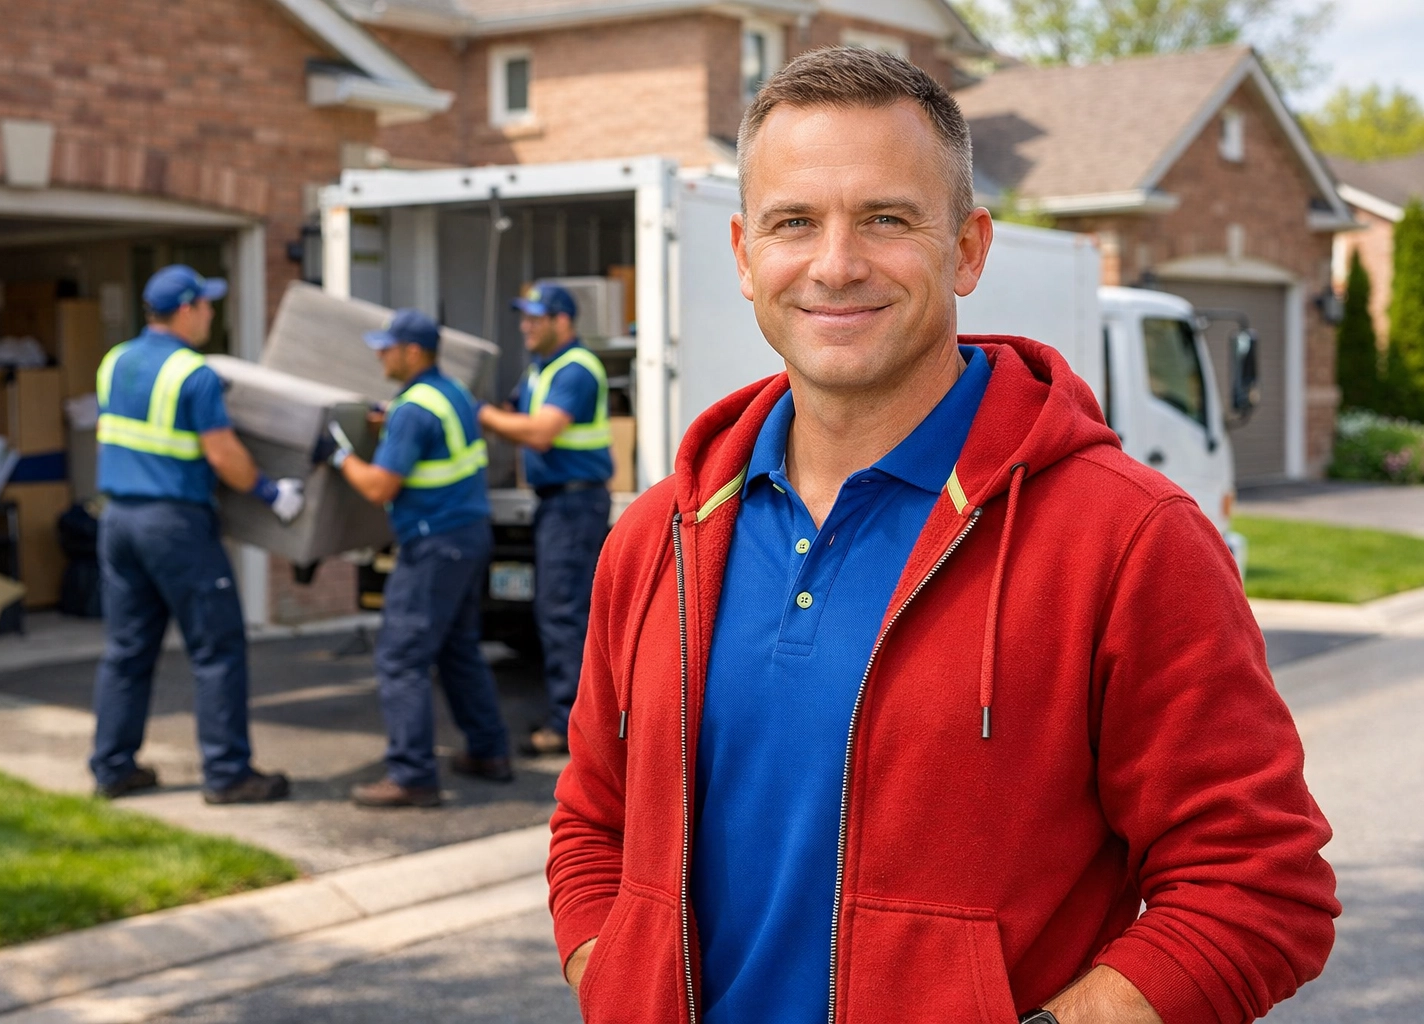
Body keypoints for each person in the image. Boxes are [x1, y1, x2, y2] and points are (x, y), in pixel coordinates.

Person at [546, 48, 1338, 1024]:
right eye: (797, 222)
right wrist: (615, 975)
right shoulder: (659, 536)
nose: (836, 264)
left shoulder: (1130, 538)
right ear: (747, 255)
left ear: (967, 248)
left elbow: (1259, 887)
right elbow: (592, 821)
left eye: (886, 218)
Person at [90, 265, 302, 805]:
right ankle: (228, 774)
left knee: (126, 650)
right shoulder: (194, 373)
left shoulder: (114, 361)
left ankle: (113, 766)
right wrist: (271, 493)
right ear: (185, 310)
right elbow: (223, 454)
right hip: (174, 525)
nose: (211, 312)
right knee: (218, 647)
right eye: (206, 304)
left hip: (118, 521)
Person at [320, 309, 512, 808]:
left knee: (400, 656)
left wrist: (339, 455)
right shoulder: (451, 395)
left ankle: (412, 775)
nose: (380, 354)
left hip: (432, 545)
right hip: (467, 537)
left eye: (387, 347)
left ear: (413, 352)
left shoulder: (411, 411)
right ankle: (489, 751)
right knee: (459, 650)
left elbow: (380, 485)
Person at [478, 283, 612, 756]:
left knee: (563, 615)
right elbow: (514, 412)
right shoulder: (542, 370)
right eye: (524, 316)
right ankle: (571, 719)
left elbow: (539, 432)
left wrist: (483, 415)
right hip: (555, 504)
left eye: (536, 317)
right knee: (556, 613)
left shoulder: (575, 369)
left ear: (563, 322)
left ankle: (571, 728)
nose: (525, 326)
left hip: (575, 505)